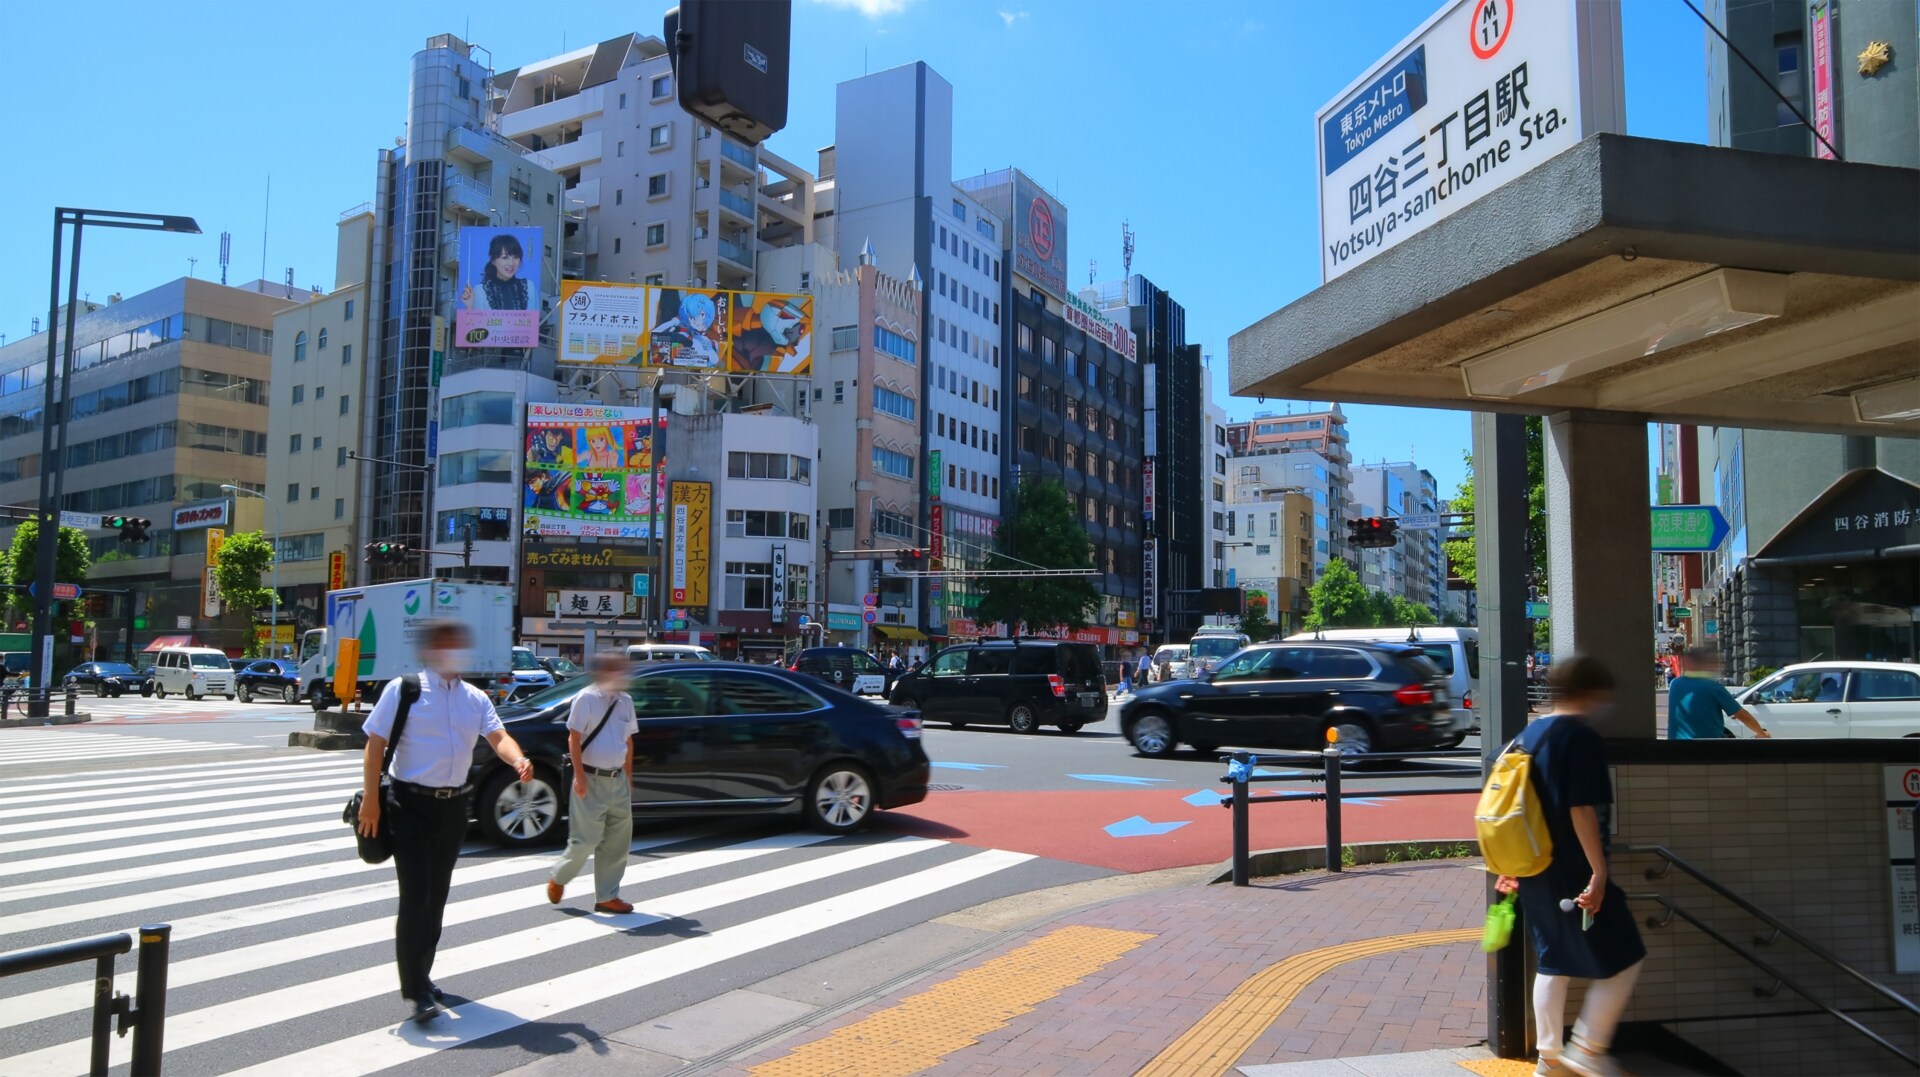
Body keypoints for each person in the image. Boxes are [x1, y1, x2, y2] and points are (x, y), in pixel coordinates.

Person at [357, 622, 534, 1024]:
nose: (456, 653)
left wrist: (518, 758)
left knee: (436, 898)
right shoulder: (405, 690)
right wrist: (371, 800)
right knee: (416, 897)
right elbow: (375, 744)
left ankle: (423, 974)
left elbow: (498, 735)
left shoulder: (475, 698)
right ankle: (416, 990)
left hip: (454, 808)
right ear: (432, 651)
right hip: (409, 805)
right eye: (447, 646)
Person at [1495, 655, 1646, 1077]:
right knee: (1627, 952)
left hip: (1532, 866)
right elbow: (1581, 807)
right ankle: (1589, 1047)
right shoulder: (1578, 736)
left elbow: (1513, 804)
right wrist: (1598, 873)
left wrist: (1510, 864)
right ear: (1591, 693)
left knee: (1553, 960)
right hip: (1572, 866)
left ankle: (1550, 1058)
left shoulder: (1530, 733)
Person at [546, 652, 638, 914]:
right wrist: (580, 776)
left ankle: (607, 896)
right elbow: (573, 739)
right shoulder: (586, 698)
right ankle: (559, 876)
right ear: (603, 673)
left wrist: (628, 777)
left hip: (616, 779)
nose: (622, 675)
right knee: (584, 840)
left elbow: (628, 741)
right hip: (590, 778)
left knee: (618, 841)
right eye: (616, 670)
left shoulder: (626, 701)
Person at [1666, 646, 1769, 740]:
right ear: (1706, 664)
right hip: (1707, 749)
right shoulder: (1713, 687)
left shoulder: (1675, 684)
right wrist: (1761, 733)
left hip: (1675, 749)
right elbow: (1742, 715)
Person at [460, 232, 531, 311]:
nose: (511, 263)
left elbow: (534, 321)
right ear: (493, 260)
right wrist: (470, 306)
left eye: (516, 257)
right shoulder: (479, 291)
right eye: (505, 257)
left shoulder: (529, 287)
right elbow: (475, 322)